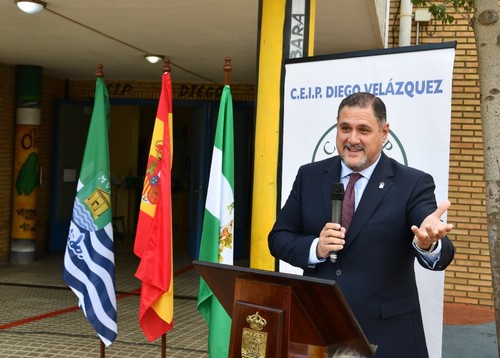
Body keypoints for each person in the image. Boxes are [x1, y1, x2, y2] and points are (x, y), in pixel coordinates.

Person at [268, 92, 454, 357]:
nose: (352, 139)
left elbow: (434, 239)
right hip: (318, 328)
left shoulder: (412, 183)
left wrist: (429, 242)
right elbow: (279, 238)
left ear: (384, 132)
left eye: (363, 130)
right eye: (345, 128)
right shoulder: (309, 176)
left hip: (386, 334)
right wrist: (315, 248)